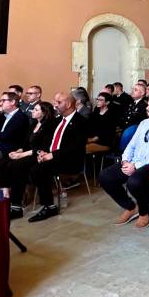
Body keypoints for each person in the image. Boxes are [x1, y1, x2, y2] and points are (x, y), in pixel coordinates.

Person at [99, 93, 149, 227]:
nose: (147, 107)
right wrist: (125, 160)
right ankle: (130, 207)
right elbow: (132, 144)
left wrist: (135, 166)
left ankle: (145, 212)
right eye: (148, 104)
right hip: (134, 162)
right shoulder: (144, 123)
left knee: (134, 181)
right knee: (105, 176)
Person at [26, 93, 89, 222]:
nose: (55, 104)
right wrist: (43, 152)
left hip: (69, 159)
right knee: (22, 163)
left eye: (58, 102)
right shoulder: (57, 120)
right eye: (55, 101)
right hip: (53, 155)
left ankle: (49, 206)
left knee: (38, 169)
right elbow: (49, 140)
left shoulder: (80, 122)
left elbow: (75, 147)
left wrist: (52, 155)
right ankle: (17, 203)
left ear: (69, 104)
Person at [0, 101, 55, 219]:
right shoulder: (34, 123)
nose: (32, 111)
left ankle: (16, 206)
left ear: (44, 113)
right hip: (27, 153)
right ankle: (6, 194)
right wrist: (19, 151)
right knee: (4, 161)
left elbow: (43, 148)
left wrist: (22, 155)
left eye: (36, 110)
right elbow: (26, 143)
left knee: (17, 166)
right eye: (33, 109)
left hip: (39, 155)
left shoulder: (50, 125)